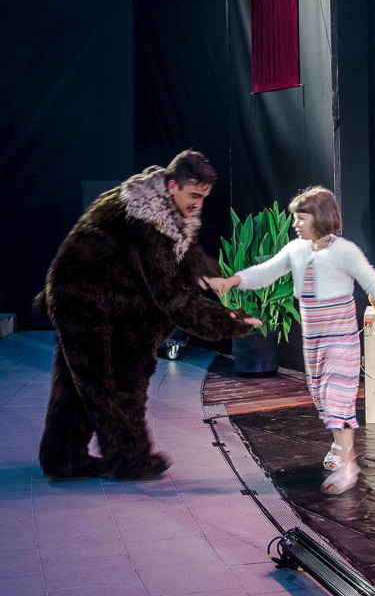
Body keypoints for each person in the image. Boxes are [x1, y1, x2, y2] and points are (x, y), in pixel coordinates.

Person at [35, 150, 261, 480]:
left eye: (204, 197)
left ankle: (63, 457)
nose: (199, 204)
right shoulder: (147, 219)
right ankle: (130, 459)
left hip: (110, 297)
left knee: (78, 380)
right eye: (194, 196)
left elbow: (181, 253)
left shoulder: (163, 205)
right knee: (111, 381)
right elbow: (170, 296)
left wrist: (206, 272)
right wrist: (228, 322)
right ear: (172, 186)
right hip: (85, 297)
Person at [209, 186, 375, 495]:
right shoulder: (296, 250)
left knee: (334, 397)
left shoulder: (345, 251)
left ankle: (348, 466)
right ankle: (340, 445)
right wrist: (232, 281)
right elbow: (266, 272)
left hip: (341, 339)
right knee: (322, 399)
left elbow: (372, 280)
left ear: (320, 217)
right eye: (295, 218)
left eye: (301, 218)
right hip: (313, 340)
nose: (295, 224)